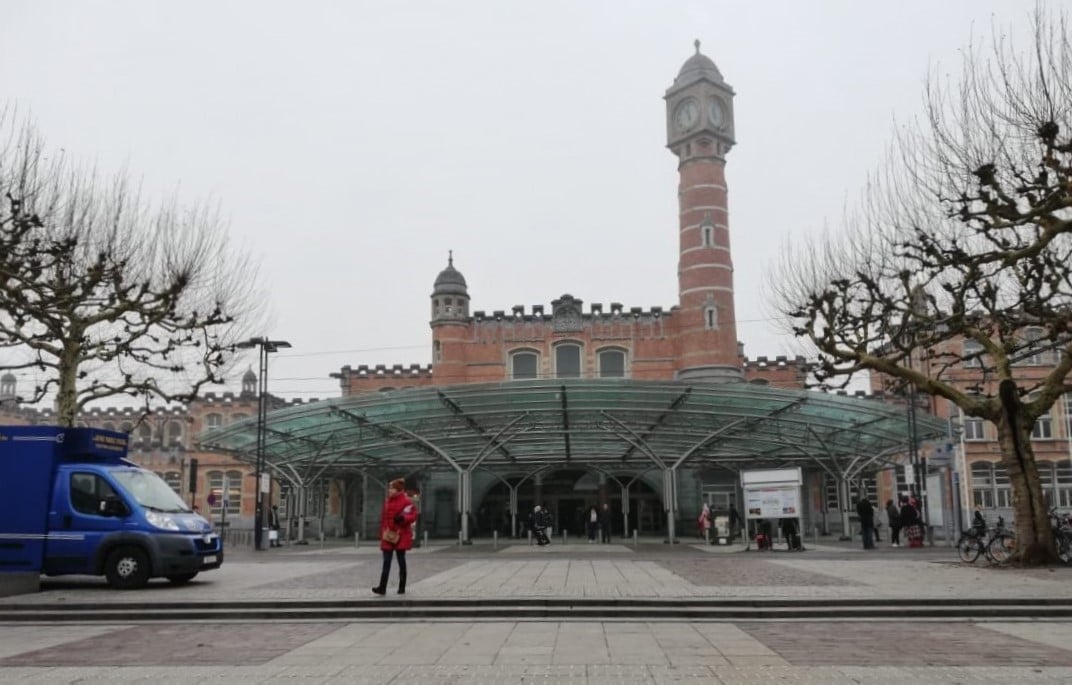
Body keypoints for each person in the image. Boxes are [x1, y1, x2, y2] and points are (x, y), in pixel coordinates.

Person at [372, 478, 418, 596]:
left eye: (392, 488)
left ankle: (402, 586)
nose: (389, 490)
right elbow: (383, 519)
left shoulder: (406, 502)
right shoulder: (387, 502)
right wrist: (382, 532)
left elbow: (413, 515)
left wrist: (403, 518)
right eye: (389, 488)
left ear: (398, 490)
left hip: (401, 535)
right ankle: (382, 587)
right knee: (386, 562)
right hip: (388, 535)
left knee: (401, 561)